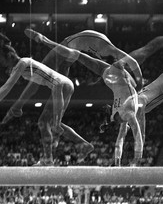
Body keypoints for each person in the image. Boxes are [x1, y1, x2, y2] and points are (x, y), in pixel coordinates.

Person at [4, 27, 163, 124]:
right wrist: (140, 83)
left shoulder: (121, 89)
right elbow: (139, 58)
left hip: (95, 54)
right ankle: (45, 41)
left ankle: (45, 42)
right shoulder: (118, 65)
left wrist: (140, 83)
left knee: (68, 64)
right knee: (68, 63)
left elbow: (137, 60)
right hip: (95, 52)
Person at [25, 28, 143, 166]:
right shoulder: (127, 114)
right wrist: (136, 159)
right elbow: (137, 135)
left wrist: (117, 163)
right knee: (73, 55)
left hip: (107, 73)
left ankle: (45, 40)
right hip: (111, 68)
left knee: (74, 55)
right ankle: (44, 40)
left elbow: (120, 140)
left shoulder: (120, 118)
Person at [0, 31, 93, 166]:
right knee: (46, 122)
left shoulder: (23, 63)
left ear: (10, 56)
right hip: (63, 85)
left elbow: (7, 86)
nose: (3, 64)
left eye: (2, 61)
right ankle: (82, 145)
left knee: (45, 122)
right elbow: (28, 89)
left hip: (61, 85)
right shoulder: (21, 65)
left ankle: (48, 159)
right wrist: (10, 113)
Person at [113, 68, 163, 166]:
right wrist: (117, 162)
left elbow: (141, 135)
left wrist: (135, 161)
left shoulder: (138, 107)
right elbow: (120, 137)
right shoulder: (125, 108)